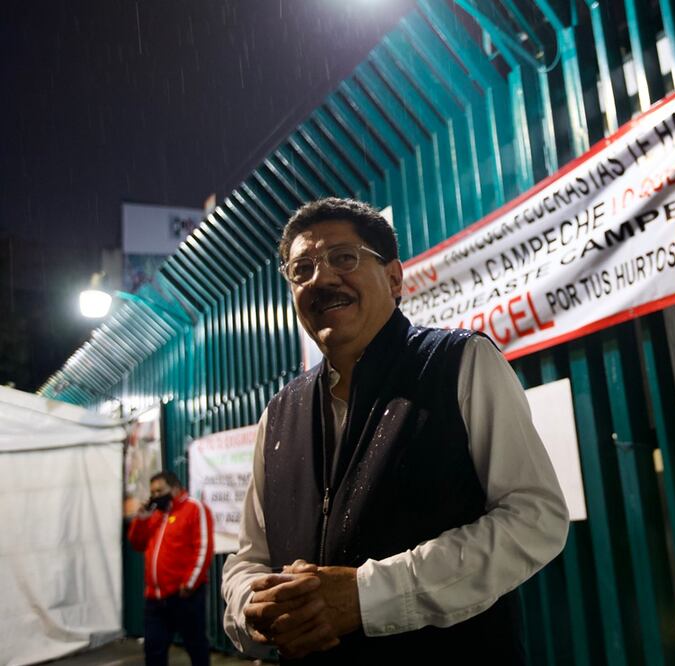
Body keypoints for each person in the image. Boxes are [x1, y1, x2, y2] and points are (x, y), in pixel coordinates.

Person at [221, 198, 569, 663]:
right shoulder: (278, 414)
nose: (321, 279)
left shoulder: (459, 364)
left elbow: (534, 519)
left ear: (393, 277)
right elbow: (248, 557)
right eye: (301, 269)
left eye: (343, 258)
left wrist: (367, 596)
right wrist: (251, 605)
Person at [127, 471, 214, 666]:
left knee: (196, 646)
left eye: (160, 490)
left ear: (174, 488)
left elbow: (203, 547)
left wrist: (190, 583)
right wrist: (140, 519)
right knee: (154, 651)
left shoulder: (193, 508)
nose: (156, 495)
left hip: (184, 595)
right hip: (154, 599)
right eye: (153, 491)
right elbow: (137, 543)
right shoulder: (154, 514)